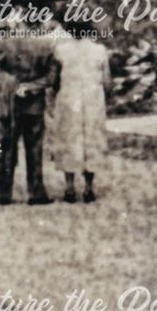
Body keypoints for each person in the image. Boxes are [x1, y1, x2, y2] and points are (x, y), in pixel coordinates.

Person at [0, 36, 54, 205]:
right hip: (34, 105)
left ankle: (3, 192)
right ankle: (36, 193)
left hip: (10, 105)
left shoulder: (7, 43)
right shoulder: (46, 45)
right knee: (35, 149)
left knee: (7, 147)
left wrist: (11, 83)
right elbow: (52, 76)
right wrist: (31, 87)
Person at [48, 21, 111, 203]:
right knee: (91, 139)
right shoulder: (99, 50)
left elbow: (54, 80)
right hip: (92, 100)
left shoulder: (61, 50)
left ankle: (69, 188)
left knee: (69, 139)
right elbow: (107, 81)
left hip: (69, 100)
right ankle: (89, 188)